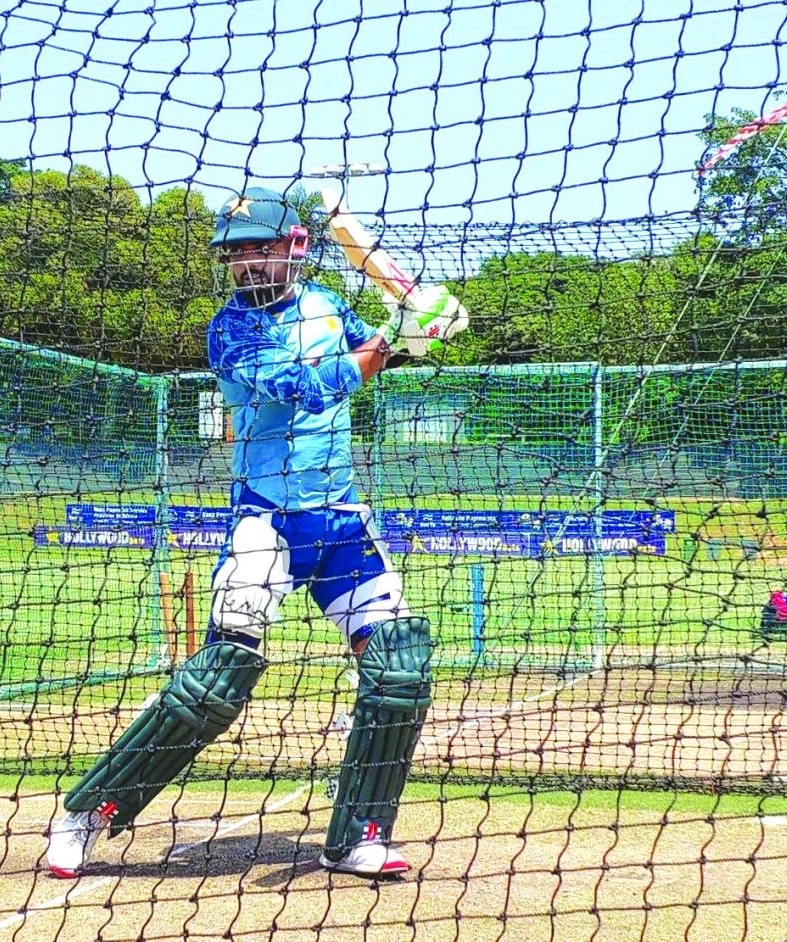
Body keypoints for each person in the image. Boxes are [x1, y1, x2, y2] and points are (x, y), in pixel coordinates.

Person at [46, 185, 468, 879]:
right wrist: (403, 336)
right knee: (218, 681)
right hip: (266, 523)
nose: (247, 263)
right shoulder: (229, 331)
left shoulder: (328, 304)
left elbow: (372, 350)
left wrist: (415, 322)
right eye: (237, 252)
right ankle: (87, 813)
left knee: (399, 668)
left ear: (294, 250)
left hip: (340, 522)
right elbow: (312, 386)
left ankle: (358, 835)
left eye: (260, 248)